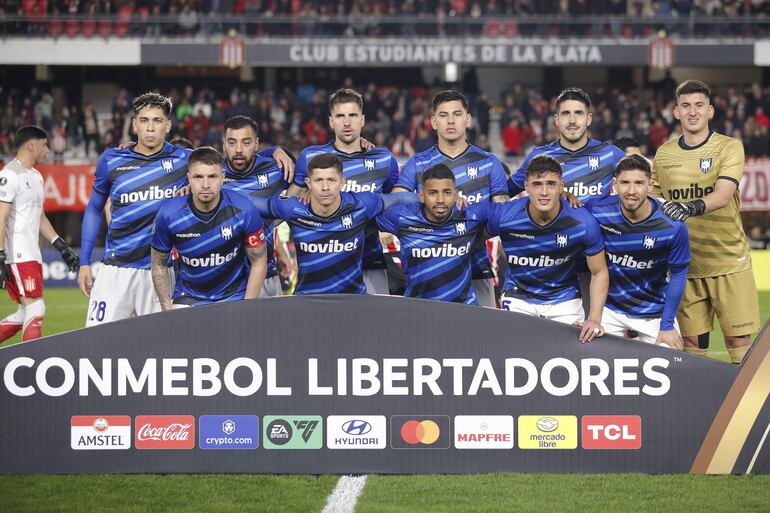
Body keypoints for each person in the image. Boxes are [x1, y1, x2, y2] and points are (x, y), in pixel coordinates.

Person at [653, 79, 760, 363]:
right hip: (685, 265)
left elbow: (723, 194)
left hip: (728, 261)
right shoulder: (664, 154)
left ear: (710, 110)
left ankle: (748, 406)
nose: (692, 112)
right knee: (691, 342)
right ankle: (700, 406)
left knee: (738, 340)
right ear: (675, 112)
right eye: (685, 106)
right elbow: (653, 202)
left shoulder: (729, 147)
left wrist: (689, 207)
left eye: (699, 105)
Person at [78, 92, 191, 326]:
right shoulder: (112, 160)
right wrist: (84, 262)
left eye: (157, 121)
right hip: (115, 271)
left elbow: (231, 166)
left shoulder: (185, 160)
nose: (150, 128)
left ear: (168, 125)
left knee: (161, 352)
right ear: (134, 124)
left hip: (160, 272)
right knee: (96, 347)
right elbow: (93, 210)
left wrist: (274, 152)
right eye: (144, 120)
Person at [393, 90, 509, 307]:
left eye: (457, 114)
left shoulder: (489, 163)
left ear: (468, 119)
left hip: (478, 268)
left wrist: (469, 218)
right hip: (428, 274)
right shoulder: (417, 163)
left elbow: (502, 215)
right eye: (443, 115)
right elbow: (395, 205)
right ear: (433, 121)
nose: (451, 121)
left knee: (478, 337)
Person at [288, 88, 399, 295]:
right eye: (340, 116)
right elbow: (286, 205)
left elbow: (395, 202)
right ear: (331, 121)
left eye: (352, 115)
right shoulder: (311, 157)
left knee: (374, 327)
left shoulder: (383, 160)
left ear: (363, 120)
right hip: (321, 269)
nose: (346, 123)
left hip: (370, 264)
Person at [487, 155, 608, 343]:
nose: (544, 192)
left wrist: (594, 319)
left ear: (562, 186)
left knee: (570, 358)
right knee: (513, 352)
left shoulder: (583, 222)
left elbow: (599, 271)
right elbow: (472, 238)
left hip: (564, 300)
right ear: (526, 186)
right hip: (518, 297)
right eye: (537, 184)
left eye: (551, 184)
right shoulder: (505, 215)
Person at [263, 153, 414, 295]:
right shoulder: (291, 208)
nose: (325, 187)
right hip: (307, 302)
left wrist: (427, 198)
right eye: (318, 180)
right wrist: (272, 151)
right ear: (308, 183)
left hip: (353, 302)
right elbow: (250, 206)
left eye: (331, 180)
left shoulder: (362, 205)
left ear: (342, 182)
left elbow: (398, 199)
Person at [586, 154, 690, 349]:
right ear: (615, 184)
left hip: (654, 312)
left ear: (650, 186)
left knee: (673, 360)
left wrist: (667, 325)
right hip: (610, 310)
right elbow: (566, 212)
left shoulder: (672, 225)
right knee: (586, 355)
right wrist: (567, 196)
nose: (631, 191)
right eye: (625, 183)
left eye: (639, 183)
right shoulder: (598, 209)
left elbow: (678, 275)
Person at [150, 147, 268, 309]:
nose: (205, 184)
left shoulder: (244, 209)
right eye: (198, 177)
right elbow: (158, 264)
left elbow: (259, 260)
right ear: (189, 179)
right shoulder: (168, 214)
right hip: (188, 299)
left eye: (212, 176)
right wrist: (166, 308)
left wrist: (247, 306)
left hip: (234, 297)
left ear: (222, 178)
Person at [0, 125, 79, 342]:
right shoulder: (9, 175)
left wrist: (60, 246)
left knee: (23, 314)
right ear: (31, 145)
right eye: (44, 145)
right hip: (17, 255)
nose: (47, 150)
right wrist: (0, 254)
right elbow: (1, 216)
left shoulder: (36, 176)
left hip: (31, 254)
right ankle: (32, 367)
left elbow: (40, 216)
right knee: (36, 308)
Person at [377, 164, 487, 304]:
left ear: (455, 194)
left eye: (447, 193)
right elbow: (362, 219)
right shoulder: (402, 217)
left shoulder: (472, 216)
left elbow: (511, 217)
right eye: (433, 193)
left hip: (464, 310)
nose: (440, 200)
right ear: (422, 196)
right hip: (418, 310)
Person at [509, 88, 625, 201]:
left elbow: (641, 187)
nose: (572, 120)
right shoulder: (539, 156)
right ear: (557, 120)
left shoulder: (610, 154)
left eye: (578, 113)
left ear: (589, 119)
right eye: (565, 113)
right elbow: (502, 193)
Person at [221, 115, 293, 297]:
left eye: (246, 142)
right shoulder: (212, 174)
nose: (238, 149)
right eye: (232, 142)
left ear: (256, 144)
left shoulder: (276, 169)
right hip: (225, 281)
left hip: (267, 277)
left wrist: (272, 223)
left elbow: (302, 191)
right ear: (223, 145)